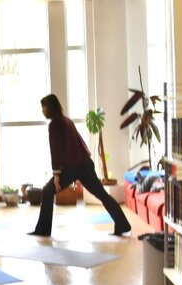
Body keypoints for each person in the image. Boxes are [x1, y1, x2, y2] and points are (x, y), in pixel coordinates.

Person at [32, 94, 132, 237]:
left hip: (73, 167)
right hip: (85, 164)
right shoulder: (66, 120)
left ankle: (43, 230)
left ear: (50, 107)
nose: (42, 110)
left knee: (48, 192)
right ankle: (123, 224)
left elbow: (56, 152)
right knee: (102, 195)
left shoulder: (54, 125)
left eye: (44, 107)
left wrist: (56, 176)